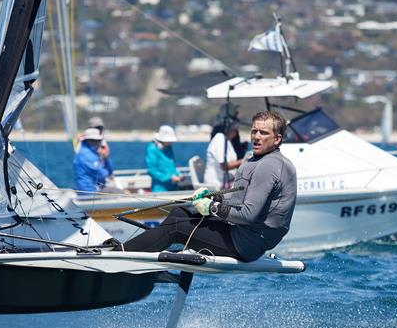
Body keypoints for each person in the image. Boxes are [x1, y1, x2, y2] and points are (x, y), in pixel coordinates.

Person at [117, 110, 296, 262]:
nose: (256, 137)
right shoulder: (260, 160)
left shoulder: (269, 165)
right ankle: (142, 254)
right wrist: (216, 197)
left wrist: (212, 207)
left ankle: (121, 257)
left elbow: (247, 215)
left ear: (277, 139)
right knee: (180, 213)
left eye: (263, 133)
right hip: (241, 234)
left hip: (245, 244)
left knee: (177, 226)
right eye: (254, 131)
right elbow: (239, 200)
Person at [73, 127, 115, 195]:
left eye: (99, 141)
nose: (98, 143)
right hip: (88, 193)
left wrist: (106, 158)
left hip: (94, 189)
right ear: (89, 141)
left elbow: (108, 172)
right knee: (121, 193)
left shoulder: (92, 153)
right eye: (96, 141)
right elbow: (102, 174)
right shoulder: (86, 155)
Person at [204, 120, 245, 189]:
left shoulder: (227, 141)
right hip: (217, 183)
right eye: (235, 128)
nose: (236, 130)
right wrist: (244, 161)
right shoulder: (220, 139)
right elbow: (224, 166)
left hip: (226, 180)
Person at [146, 125, 182, 192]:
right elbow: (151, 170)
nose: (171, 142)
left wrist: (178, 175)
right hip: (160, 189)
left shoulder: (168, 147)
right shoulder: (152, 149)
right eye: (169, 140)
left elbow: (171, 166)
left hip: (173, 187)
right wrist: (169, 177)